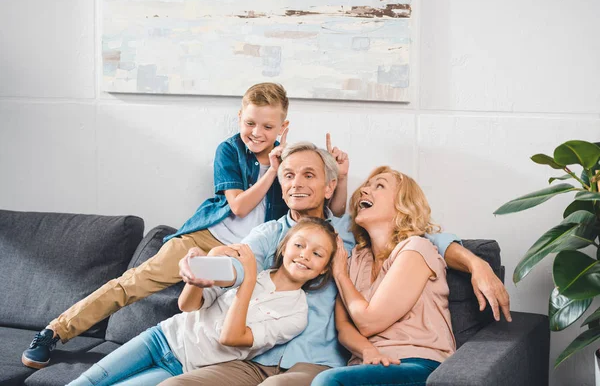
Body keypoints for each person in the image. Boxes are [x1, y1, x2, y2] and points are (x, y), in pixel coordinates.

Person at [22, 83, 346, 369]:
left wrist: (337, 176)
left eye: (267, 126)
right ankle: (54, 331)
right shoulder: (231, 150)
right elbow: (238, 205)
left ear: (282, 127)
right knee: (131, 284)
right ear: (239, 119)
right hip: (204, 238)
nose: (257, 133)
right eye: (250, 123)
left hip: (242, 255)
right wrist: (272, 171)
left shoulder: (289, 166)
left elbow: (324, 213)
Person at [160, 142, 510, 386]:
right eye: (289, 176)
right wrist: (206, 270)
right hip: (260, 358)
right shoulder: (338, 250)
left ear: (328, 187)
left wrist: (477, 263)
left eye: (309, 176)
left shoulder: (356, 242)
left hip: (349, 362)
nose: (297, 183)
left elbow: (427, 241)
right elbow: (240, 261)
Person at [67, 217, 338, 386]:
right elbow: (187, 305)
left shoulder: (296, 312)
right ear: (284, 248)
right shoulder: (242, 271)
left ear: (325, 267)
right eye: (299, 245)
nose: (304, 255)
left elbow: (231, 337)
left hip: (185, 366)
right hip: (161, 338)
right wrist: (197, 275)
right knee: (88, 381)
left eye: (317, 253)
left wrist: (249, 281)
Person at [312, 167, 456, 386]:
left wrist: (340, 274)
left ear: (402, 204)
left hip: (420, 365)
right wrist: (368, 351)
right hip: (366, 365)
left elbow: (369, 322)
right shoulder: (356, 260)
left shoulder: (416, 249)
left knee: (328, 381)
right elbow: (343, 326)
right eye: (365, 186)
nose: (365, 191)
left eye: (379, 185)